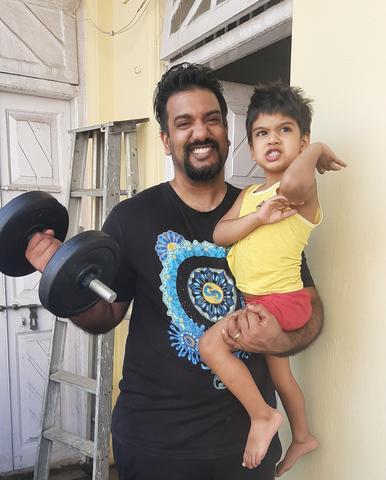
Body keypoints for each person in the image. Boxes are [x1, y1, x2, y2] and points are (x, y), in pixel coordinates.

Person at [26, 63, 326, 480]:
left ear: (226, 131)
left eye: (211, 120)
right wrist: (60, 275)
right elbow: (105, 316)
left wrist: (282, 338)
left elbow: (310, 309)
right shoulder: (131, 218)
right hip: (154, 444)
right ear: (167, 141)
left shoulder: (267, 207)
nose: (200, 133)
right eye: (184, 124)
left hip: (243, 447)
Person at [199, 82, 346, 473]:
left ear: (303, 140)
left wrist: (317, 153)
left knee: (211, 346)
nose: (273, 139)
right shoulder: (249, 197)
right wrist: (258, 217)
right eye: (262, 133)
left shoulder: (300, 192)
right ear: (251, 148)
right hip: (258, 303)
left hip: (282, 302)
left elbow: (296, 182)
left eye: (286, 130)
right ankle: (302, 437)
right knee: (283, 380)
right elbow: (220, 233)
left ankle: (262, 416)